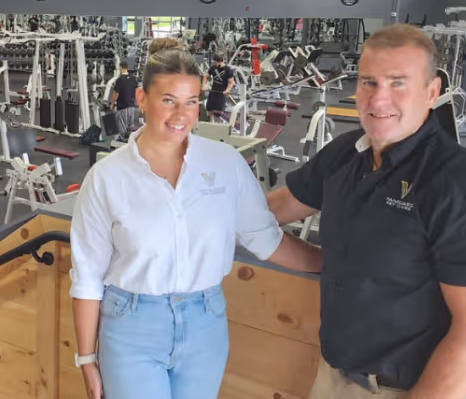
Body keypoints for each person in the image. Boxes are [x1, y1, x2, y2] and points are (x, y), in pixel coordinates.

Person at [267, 24, 466, 399]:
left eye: (397, 83)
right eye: (368, 82)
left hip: (412, 389)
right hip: (335, 377)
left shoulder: (465, 190)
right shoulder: (344, 154)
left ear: (431, 91)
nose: (377, 99)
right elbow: (275, 209)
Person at [70, 46, 322, 399]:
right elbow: (87, 277)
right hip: (132, 324)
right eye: (169, 100)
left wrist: (332, 263)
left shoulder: (225, 163)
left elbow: (266, 238)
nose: (181, 114)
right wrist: (86, 358)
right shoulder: (106, 178)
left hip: (205, 321)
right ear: (141, 98)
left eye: (191, 102)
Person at [110, 62, 138, 141]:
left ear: (121, 68)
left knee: (122, 125)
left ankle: (123, 142)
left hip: (123, 105)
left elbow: (116, 93)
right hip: (132, 106)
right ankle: (130, 141)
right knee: (130, 125)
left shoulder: (120, 79)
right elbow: (136, 91)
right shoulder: (133, 78)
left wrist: (112, 104)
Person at [205, 54, 234, 122]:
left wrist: (227, 90)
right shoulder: (213, 67)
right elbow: (206, 76)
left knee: (219, 112)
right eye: (214, 62)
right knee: (210, 109)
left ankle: (220, 125)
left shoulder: (228, 70)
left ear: (220, 62)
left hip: (222, 92)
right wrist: (204, 85)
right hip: (213, 91)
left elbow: (231, 83)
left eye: (215, 63)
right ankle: (212, 124)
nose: (214, 64)